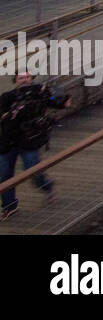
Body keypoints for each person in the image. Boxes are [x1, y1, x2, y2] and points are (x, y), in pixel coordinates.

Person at [0, 73, 68, 218]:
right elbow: (2, 115)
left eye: (27, 77)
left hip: (28, 142)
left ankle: (47, 186)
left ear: (31, 79)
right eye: (20, 78)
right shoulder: (8, 96)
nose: (24, 80)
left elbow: (61, 102)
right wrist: (13, 112)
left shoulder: (39, 94)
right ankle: (9, 206)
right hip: (7, 142)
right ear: (15, 81)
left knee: (33, 171)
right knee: (4, 175)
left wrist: (56, 94)